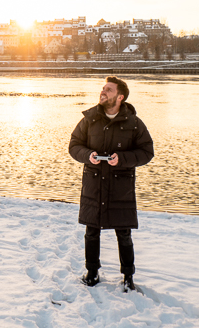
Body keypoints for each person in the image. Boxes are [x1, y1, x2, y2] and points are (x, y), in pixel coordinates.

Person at [69, 76, 154, 290]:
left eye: (108, 89)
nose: (103, 92)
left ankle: (128, 278)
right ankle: (92, 273)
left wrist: (122, 159)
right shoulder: (89, 119)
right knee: (92, 231)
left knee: (124, 233)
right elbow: (74, 145)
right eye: (103, 88)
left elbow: (147, 152)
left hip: (120, 187)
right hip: (94, 184)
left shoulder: (134, 123)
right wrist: (88, 155)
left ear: (120, 96)